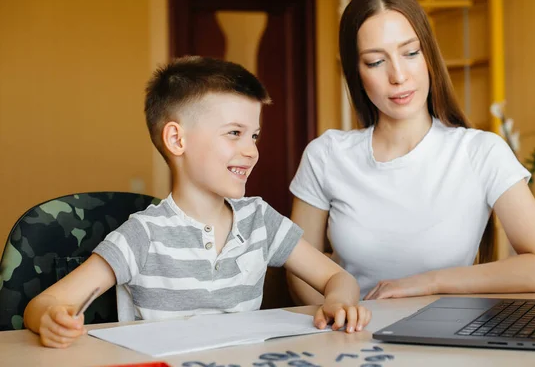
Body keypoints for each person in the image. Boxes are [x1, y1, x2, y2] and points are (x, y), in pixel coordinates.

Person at [24, 56, 370, 348]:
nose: (251, 150)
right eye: (234, 133)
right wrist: (51, 319)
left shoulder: (260, 220)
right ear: (177, 139)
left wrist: (339, 300)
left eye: (254, 135)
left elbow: (339, 279)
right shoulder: (144, 235)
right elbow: (45, 303)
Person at [287, 0, 535, 305]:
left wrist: (429, 283)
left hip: (449, 340)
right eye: (376, 61)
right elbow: (299, 272)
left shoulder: (481, 151)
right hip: (352, 340)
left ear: (429, 55)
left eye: (410, 53)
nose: (398, 76)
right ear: (356, 73)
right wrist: (344, 320)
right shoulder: (326, 155)